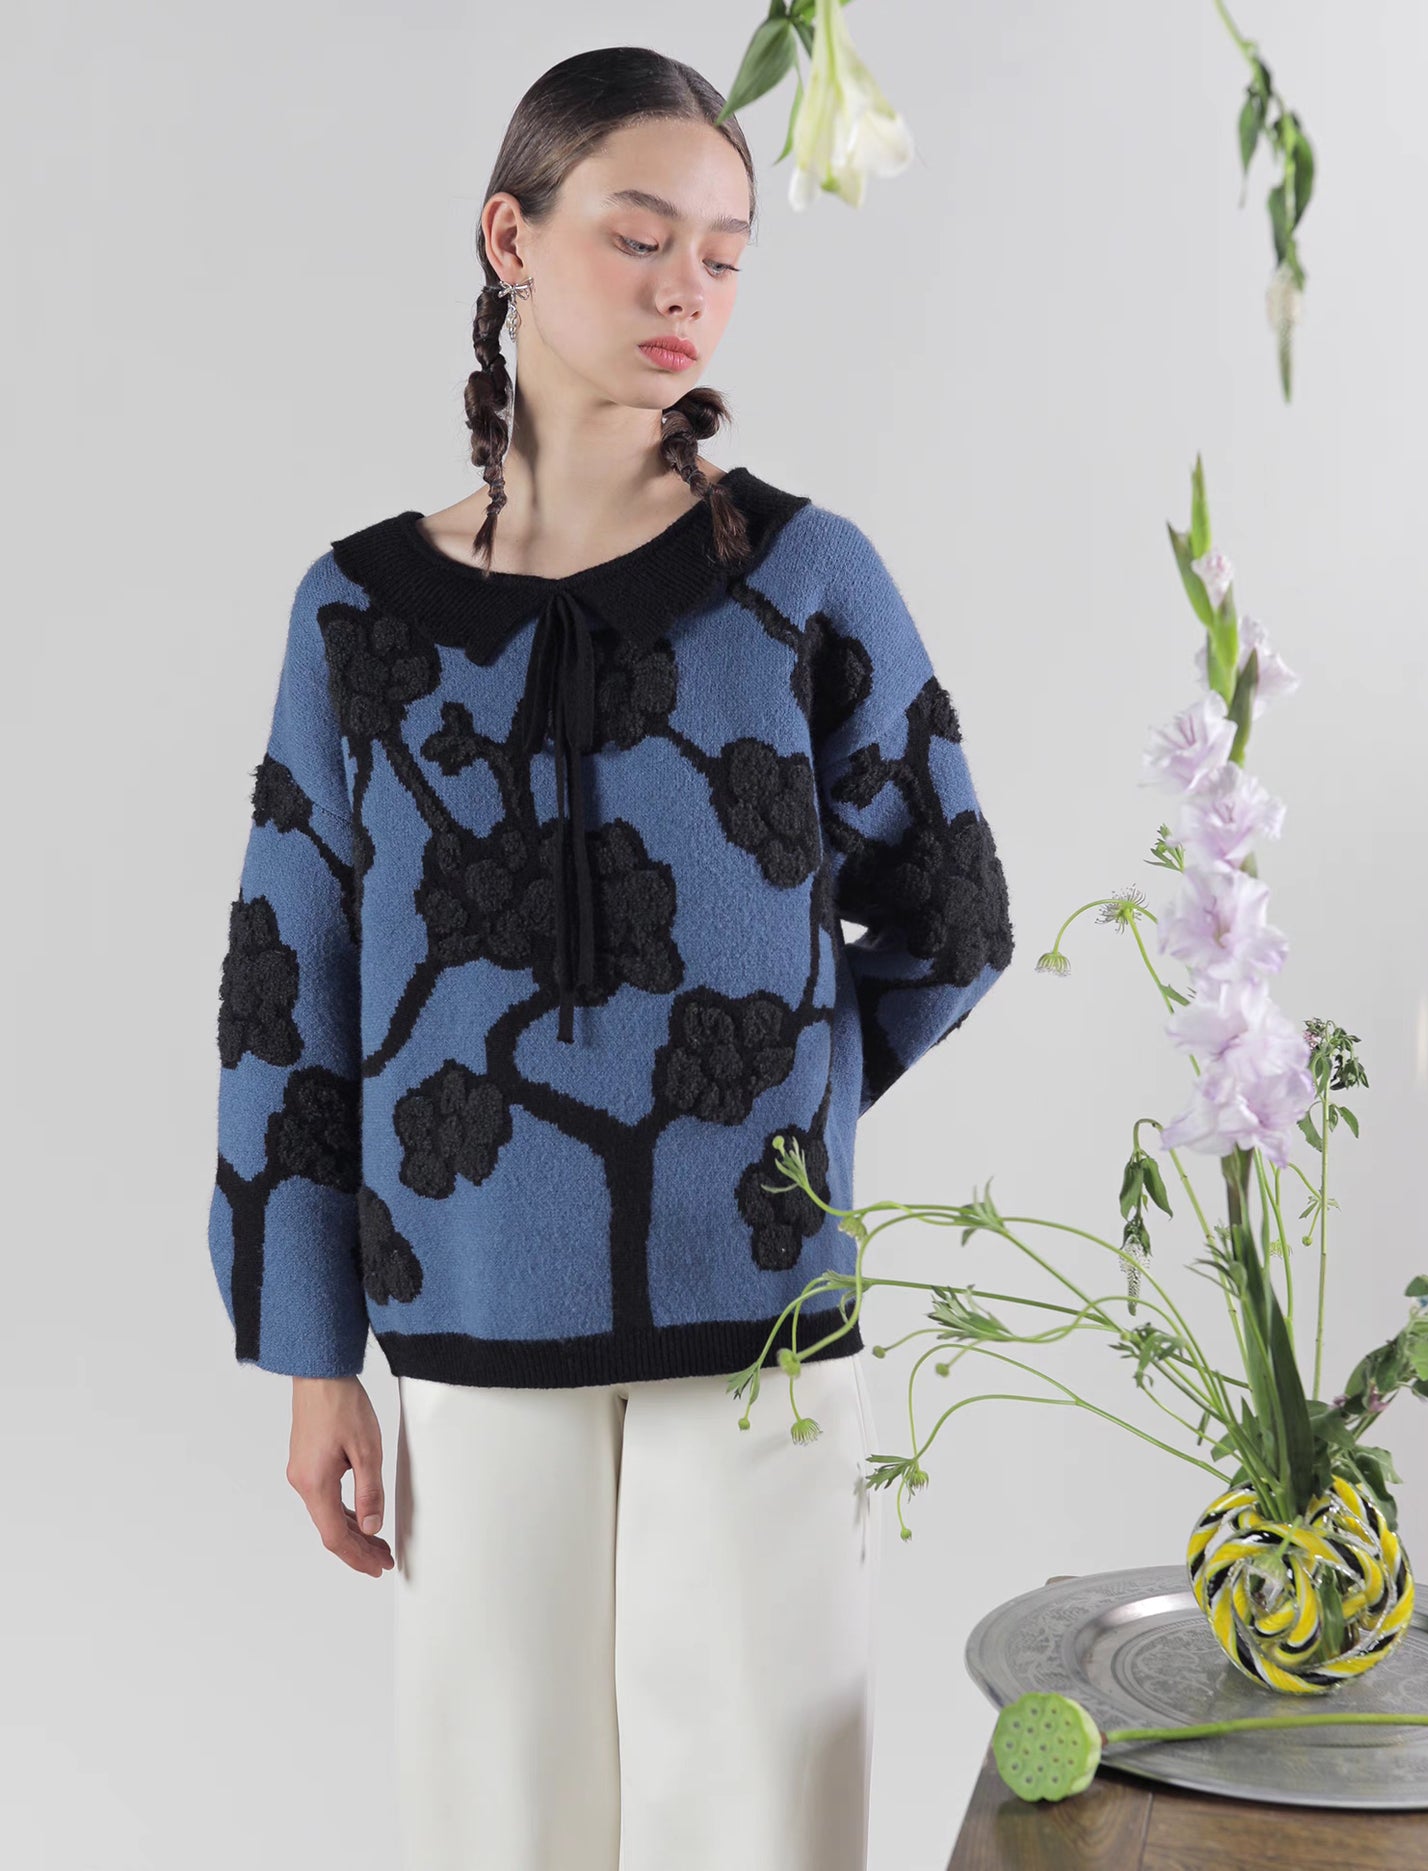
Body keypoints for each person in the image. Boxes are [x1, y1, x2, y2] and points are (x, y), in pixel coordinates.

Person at [207, 44, 1014, 1871]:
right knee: (498, 1821)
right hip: (467, 1308)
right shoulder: (359, 613)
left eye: (723, 255)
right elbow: (284, 984)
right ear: (511, 238)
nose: (684, 290)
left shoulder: (803, 580)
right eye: (639, 238)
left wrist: (781, 1106)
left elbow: (954, 908)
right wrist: (309, 1352)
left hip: (762, 1321)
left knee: (760, 1819)